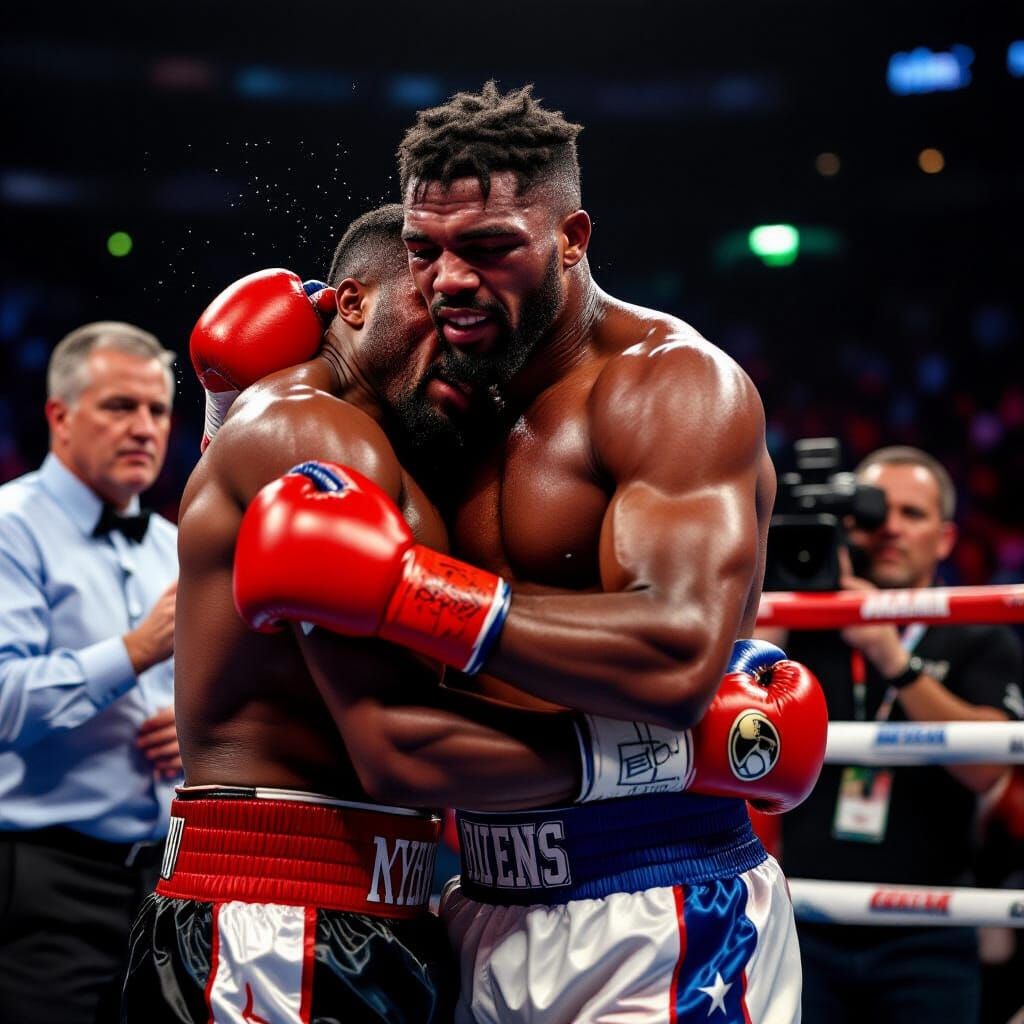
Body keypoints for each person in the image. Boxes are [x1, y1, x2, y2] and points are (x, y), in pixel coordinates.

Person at [141, 201, 827, 1024]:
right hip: (286, 914)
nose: (461, 348)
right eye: (432, 314)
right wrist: (669, 757)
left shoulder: (380, 438)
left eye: (470, 325)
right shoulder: (325, 440)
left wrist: (227, 409)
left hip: (402, 911)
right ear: (352, 304)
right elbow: (396, 747)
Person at [771, 446, 1024, 1022]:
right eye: (875, 511)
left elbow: (988, 769)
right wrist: (790, 590)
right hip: (808, 923)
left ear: (945, 538)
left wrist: (893, 657)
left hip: (929, 934)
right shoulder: (805, 625)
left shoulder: (978, 635)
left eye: (913, 514)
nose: (890, 528)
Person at [0, 321, 180, 1024]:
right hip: (46, 876)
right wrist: (134, 651)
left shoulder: (175, 543)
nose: (143, 428)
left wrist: (195, 737)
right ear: (59, 416)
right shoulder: (10, 528)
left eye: (157, 410)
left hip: (166, 881)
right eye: (119, 406)